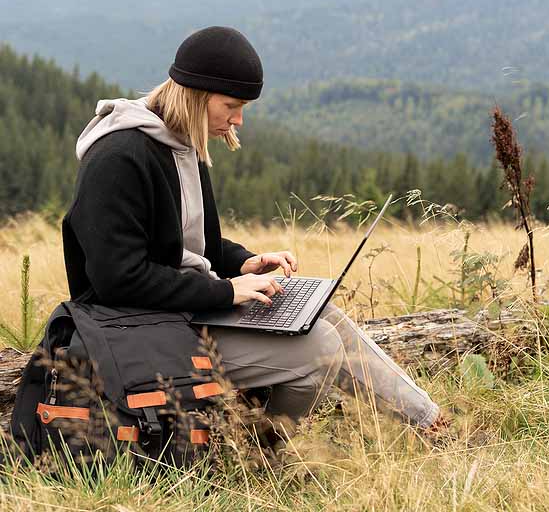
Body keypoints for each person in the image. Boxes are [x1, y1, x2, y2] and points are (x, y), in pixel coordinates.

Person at [62, 26, 444, 434]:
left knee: (326, 317)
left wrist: (245, 263)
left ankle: (433, 425)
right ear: (196, 94)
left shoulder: (181, 143)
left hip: (181, 311)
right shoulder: (119, 158)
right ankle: (259, 451)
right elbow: (117, 279)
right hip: (137, 332)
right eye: (232, 105)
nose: (238, 119)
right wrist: (226, 292)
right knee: (321, 348)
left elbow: (193, 245)